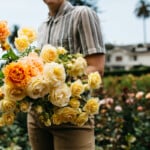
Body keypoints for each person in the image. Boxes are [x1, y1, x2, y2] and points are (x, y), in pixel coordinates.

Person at [27, 0, 106, 150]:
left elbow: (96, 68)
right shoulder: (42, 26)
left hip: (71, 118)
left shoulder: (82, 14)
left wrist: (59, 88)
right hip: (38, 117)